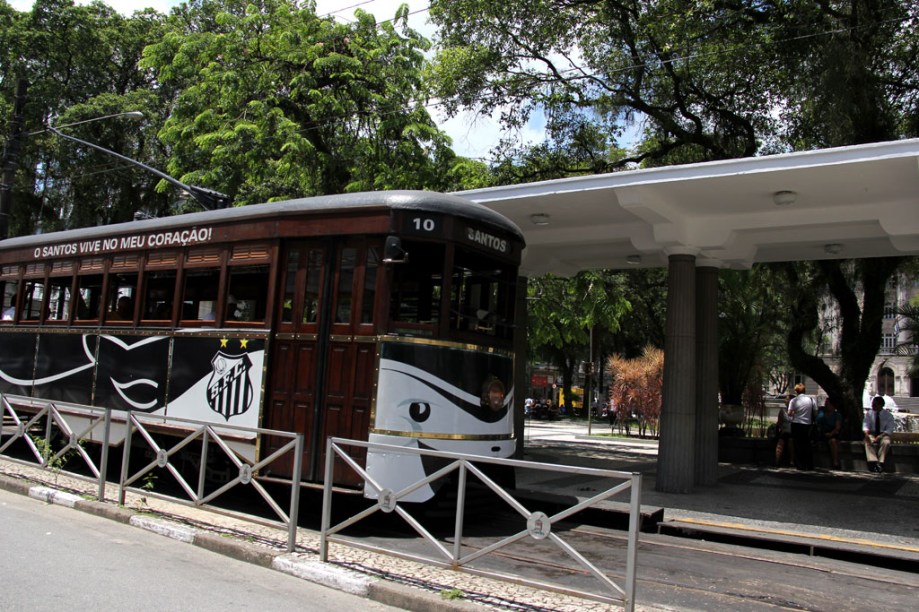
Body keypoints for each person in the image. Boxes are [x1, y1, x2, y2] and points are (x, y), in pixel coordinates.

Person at [863, 395, 895, 473]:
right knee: (867, 441)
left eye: (875, 405)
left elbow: (889, 429)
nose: (873, 406)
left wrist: (880, 436)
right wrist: (866, 434)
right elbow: (865, 426)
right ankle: (874, 461)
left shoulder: (888, 415)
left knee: (886, 442)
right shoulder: (869, 414)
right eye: (872, 404)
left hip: (883, 434)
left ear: (881, 405)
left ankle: (880, 462)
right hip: (872, 433)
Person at [787, 383, 816, 470]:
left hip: (796, 424)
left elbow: (789, 413)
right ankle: (809, 464)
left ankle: (800, 465)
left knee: (798, 445)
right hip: (807, 424)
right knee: (807, 444)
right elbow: (815, 413)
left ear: (796, 391)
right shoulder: (811, 400)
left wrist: (796, 413)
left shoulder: (794, 401)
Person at [815, 397, 843, 469]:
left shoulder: (837, 415)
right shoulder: (821, 412)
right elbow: (817, 421)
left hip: (832, 433)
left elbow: (837, 428)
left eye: (828, 403)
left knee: (833, 441)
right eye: (825, 403)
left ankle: (835, 463)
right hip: (821, 432)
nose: (826, 405)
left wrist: (830, 434)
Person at [774, 402, 792, 467]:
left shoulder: (796, 410)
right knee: (780, 443)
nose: (785, 401)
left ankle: (791, 461)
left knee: (791, 442)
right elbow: (779, 422)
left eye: (787, 399)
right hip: (784, 431)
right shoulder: (783, 411)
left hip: (792, 432)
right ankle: (777, 461)